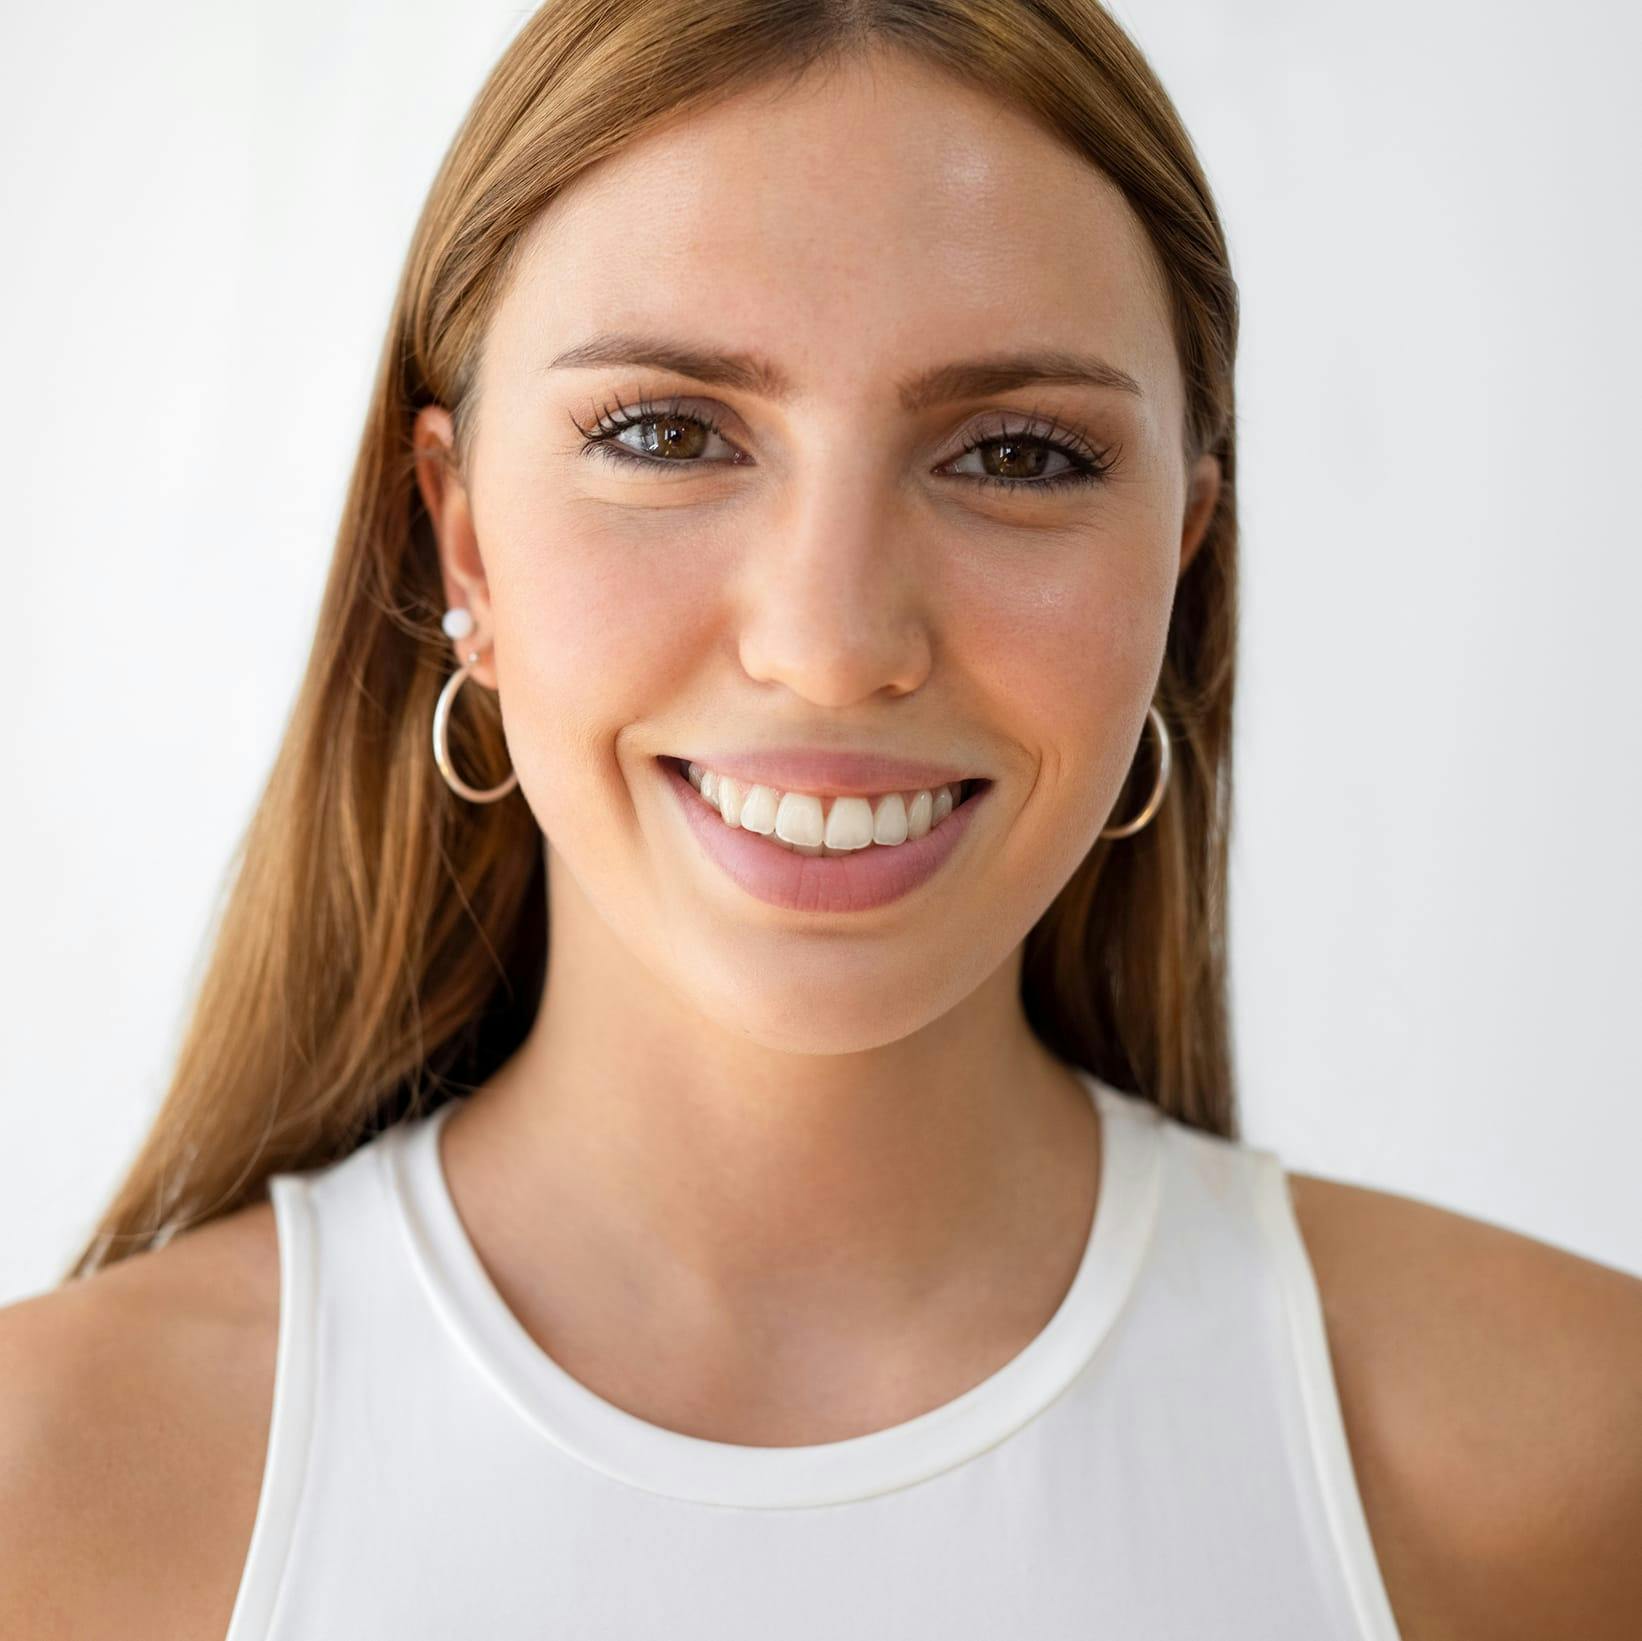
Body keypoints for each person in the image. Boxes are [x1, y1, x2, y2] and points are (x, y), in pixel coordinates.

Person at [4, 3, 1639, 1636]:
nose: (834, 641)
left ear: (1178, 557)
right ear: (463, 539)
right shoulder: (52, 1495)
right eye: (666, 433)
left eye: (1017, 454)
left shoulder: (1575, 1461)